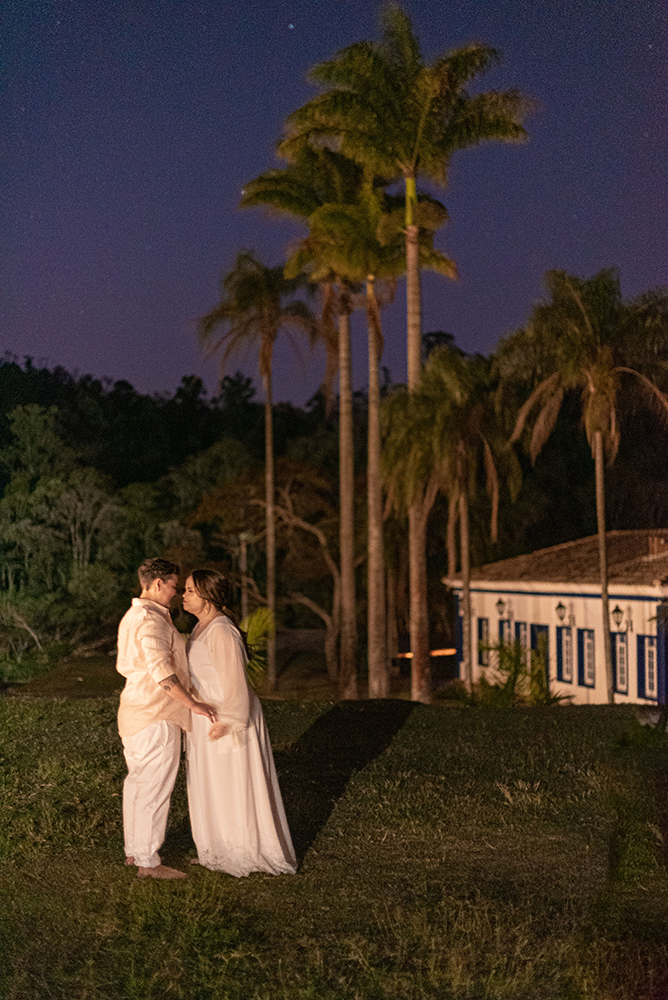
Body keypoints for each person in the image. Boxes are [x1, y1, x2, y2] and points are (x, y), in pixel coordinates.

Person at [182, 569, 297, 876]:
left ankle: (243, 850)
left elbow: (235, 682)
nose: (184, 595)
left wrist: (230, 719)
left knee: (232, 784)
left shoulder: (222, 631)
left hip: (228, 718)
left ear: (207, 596)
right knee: (212, 785)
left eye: (190, 590)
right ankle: (215, 849)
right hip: (207, 715)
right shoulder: (199, 629)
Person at [116, 558, 217, 880]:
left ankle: (135, 851)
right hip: (155, 714)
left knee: (138, 783)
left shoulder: (134, 615)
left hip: (135, 711)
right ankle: (148, 861)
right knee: (153, 788)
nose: (176, 593)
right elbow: (161, 670)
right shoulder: (150, 619)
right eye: (174, 585)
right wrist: (194, 704)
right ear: (158, 583)